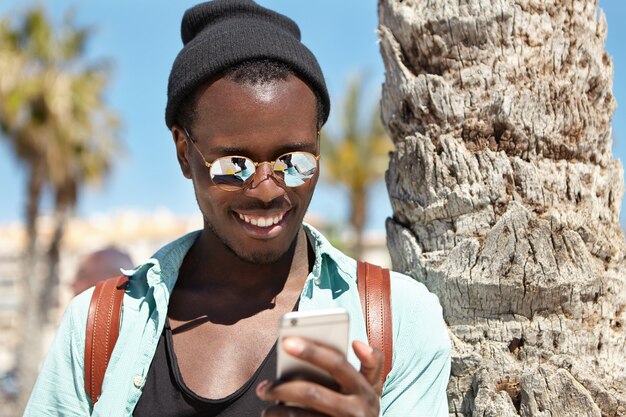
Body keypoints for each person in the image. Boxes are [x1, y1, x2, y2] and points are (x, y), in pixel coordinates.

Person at [24, 1, 451, 416]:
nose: (266, 191)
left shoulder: (396, 321)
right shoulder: (100, 326)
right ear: (183, 152)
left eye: (294, 161)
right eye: (234, 165)